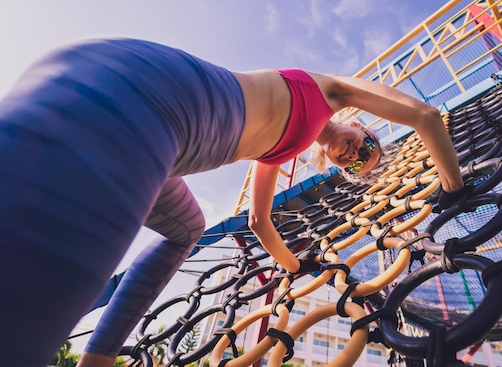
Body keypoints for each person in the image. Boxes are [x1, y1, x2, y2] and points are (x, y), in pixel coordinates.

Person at [0, 38, 463, 366]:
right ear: (361, 125)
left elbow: (260, 220)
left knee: (187, 230)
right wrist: (453, 189)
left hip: (151, 124)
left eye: (357, 166)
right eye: (364, 147)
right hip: (150, 108)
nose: (354, 155)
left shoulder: (284, 149)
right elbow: (424, 115)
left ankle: (99, 356)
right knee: (22, 330)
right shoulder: (330, 91)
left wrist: (295, 267)